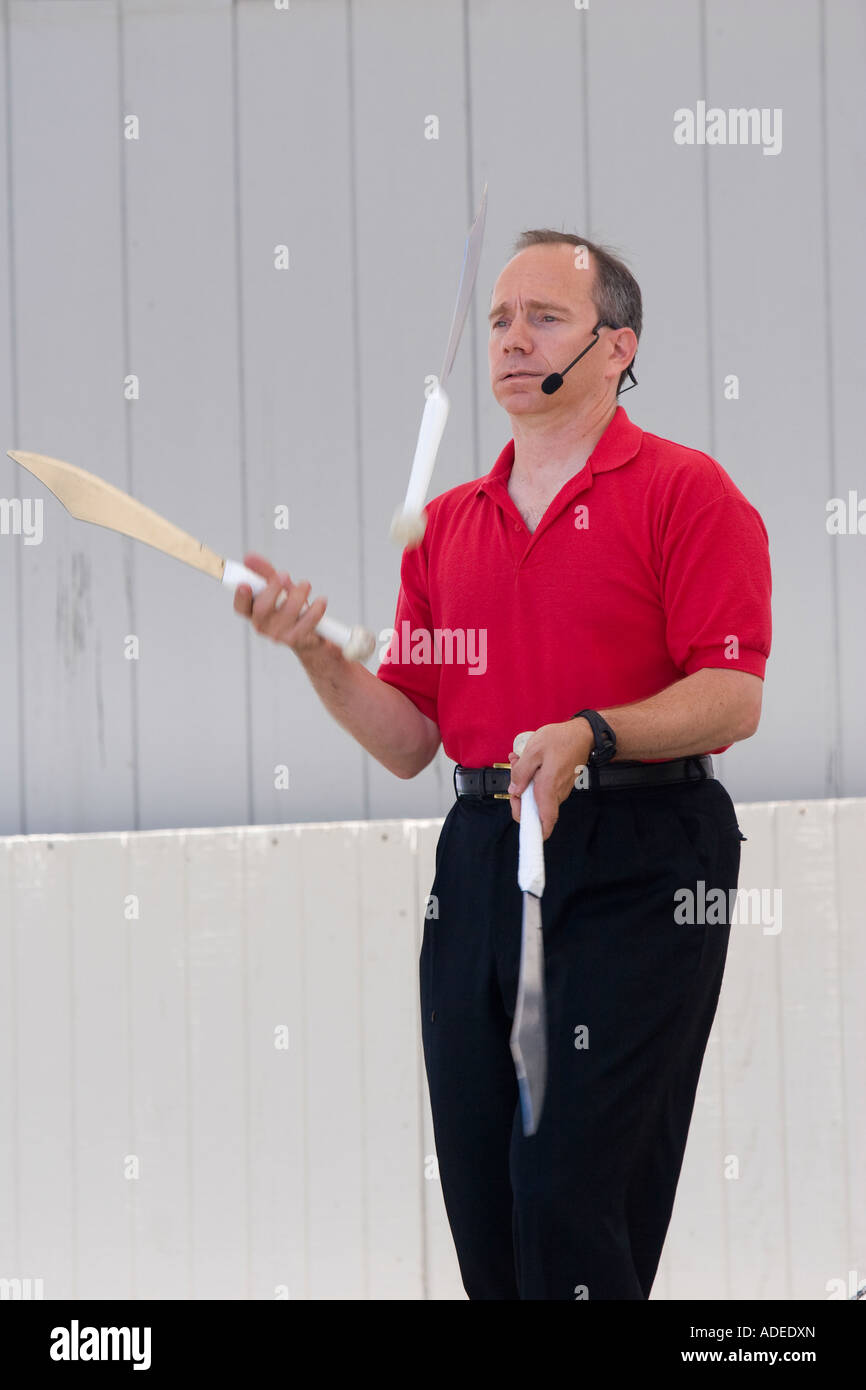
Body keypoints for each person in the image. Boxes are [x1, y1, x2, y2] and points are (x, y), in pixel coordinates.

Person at [233, 229, 772, 1300]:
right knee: (486, 1193)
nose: (511, 339)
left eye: (544, 317)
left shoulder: (684, 492)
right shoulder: (442, 530)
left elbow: (732, 697)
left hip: (638, 854)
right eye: (497, 320)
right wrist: (311, 654)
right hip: (482, 856)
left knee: (567, 1182)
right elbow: (408, 739)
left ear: (615, 347)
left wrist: (589, 731)